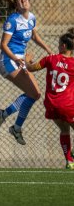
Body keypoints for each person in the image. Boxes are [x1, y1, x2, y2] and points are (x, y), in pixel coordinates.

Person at [0, 0, 53, 145]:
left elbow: (34, 36)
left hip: (19, 60)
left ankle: (13, 124)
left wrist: (47, 48)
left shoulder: (31, 18)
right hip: (8, 60)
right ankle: (7, 118)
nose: (23, 0)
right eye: (20, 0)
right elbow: (3, 45)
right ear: (16, 5)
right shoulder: (13, 20)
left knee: (35, 94)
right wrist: (17, 59)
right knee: (32, 92)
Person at [24, 30, 74, 169]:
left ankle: (69, 161)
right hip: (69, 105)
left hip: (52, 104)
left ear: (63, 46)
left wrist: (27, 60)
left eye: (59, 44)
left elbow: (31, 68)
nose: (58, 47)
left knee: (64, 130)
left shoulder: (50, 59)